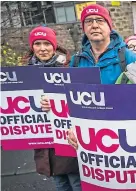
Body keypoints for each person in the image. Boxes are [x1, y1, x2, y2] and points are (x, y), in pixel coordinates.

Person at [26, 26, 81, 191]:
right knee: (60, 183)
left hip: (66, 136)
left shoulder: (69, 69)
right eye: (37, 44)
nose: (42, 48)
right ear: (32, 47)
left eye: (47, 44)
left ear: (54, 46)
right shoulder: (25, 73)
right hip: (44, 139)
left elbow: (80, 99)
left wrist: (57, 104)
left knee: (76, 182)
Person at [69, 4, 136, 84]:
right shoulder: (76, 61)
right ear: (84, 28)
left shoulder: (129, 58)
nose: (94, 25)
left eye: (100, 20)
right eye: (89, 21)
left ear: (109, 26)